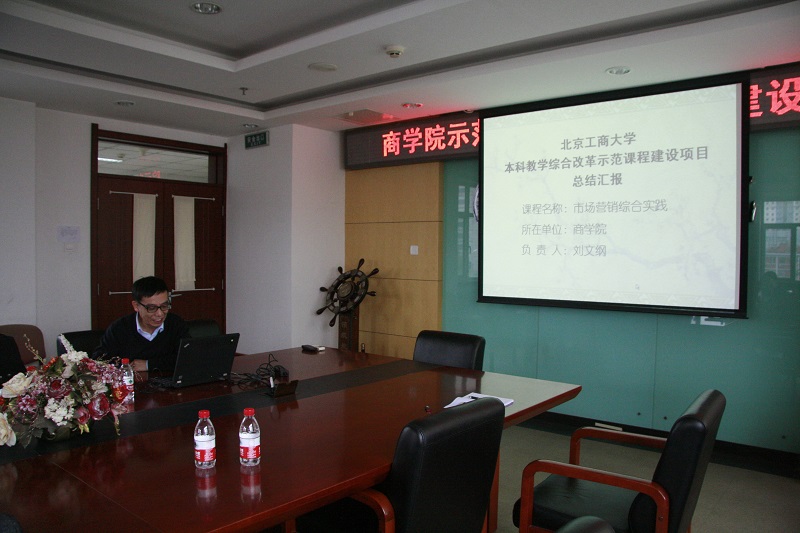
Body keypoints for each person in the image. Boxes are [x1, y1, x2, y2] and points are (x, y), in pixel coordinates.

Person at [94, 276, 189, 372]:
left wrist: (148, 364)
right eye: (151, 308)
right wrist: (125, 367)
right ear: (136, 306)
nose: (160, 314)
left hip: (168, 380)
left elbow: (188, 357)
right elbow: (99, 361)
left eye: (164, 306)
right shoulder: (119, 328)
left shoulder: (176, 324)